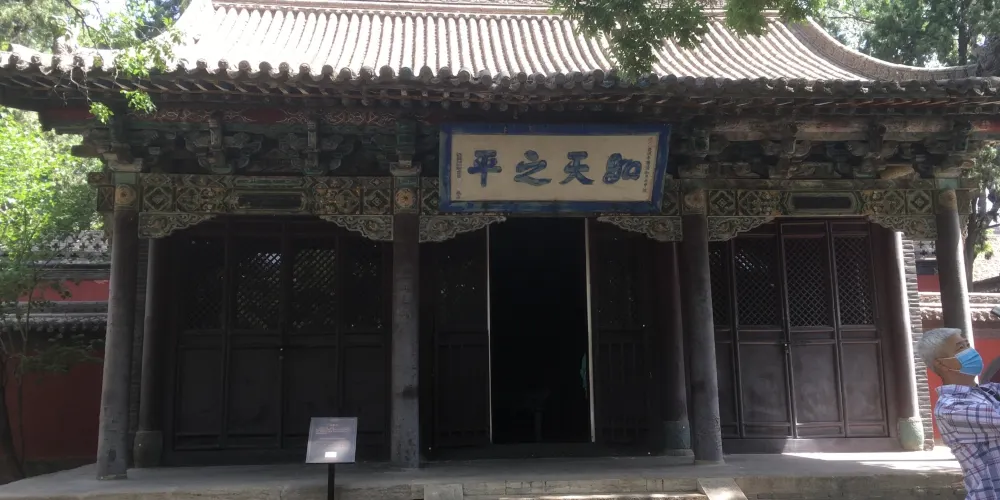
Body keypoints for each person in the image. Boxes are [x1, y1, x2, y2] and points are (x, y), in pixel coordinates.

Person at [918, 327, 1000, 499]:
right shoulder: (950, 408)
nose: (970, 351)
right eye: (960, 348)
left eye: (967, 345)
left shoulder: (988, 391)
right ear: (942, 364)